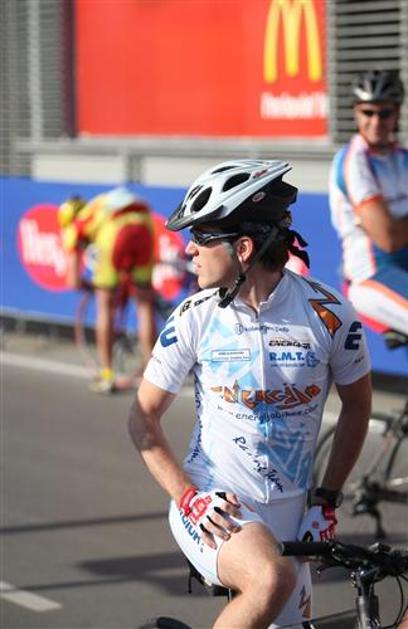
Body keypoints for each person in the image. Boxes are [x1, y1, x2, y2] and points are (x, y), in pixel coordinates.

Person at [128, 160, 372, 628]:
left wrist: (326, 500)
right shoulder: (195, 316)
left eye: (202, 237)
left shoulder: (330, 314)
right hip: (214, 504)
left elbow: (358, 406)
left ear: (242, 249)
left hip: (292, 507)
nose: (189, 249)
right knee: (269, 578)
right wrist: (188, 497)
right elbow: (142, 418)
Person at [329, 69, 408, 336]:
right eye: (367, 113)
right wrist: (393, 226)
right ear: (356, 112)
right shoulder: (354, 161)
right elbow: (388, 238)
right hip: (371, 275)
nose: (376, 122)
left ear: (396, 113)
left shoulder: (402, 157)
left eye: (384, 113)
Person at [58, 187, 157, 393]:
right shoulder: (98, 204)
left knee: (105, 306)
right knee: (144, 306)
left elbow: (73, 281)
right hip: (145, 224)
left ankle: (107, 375)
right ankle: (154, 376)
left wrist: (94, 287)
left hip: (115, 231)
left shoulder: (77, 224)